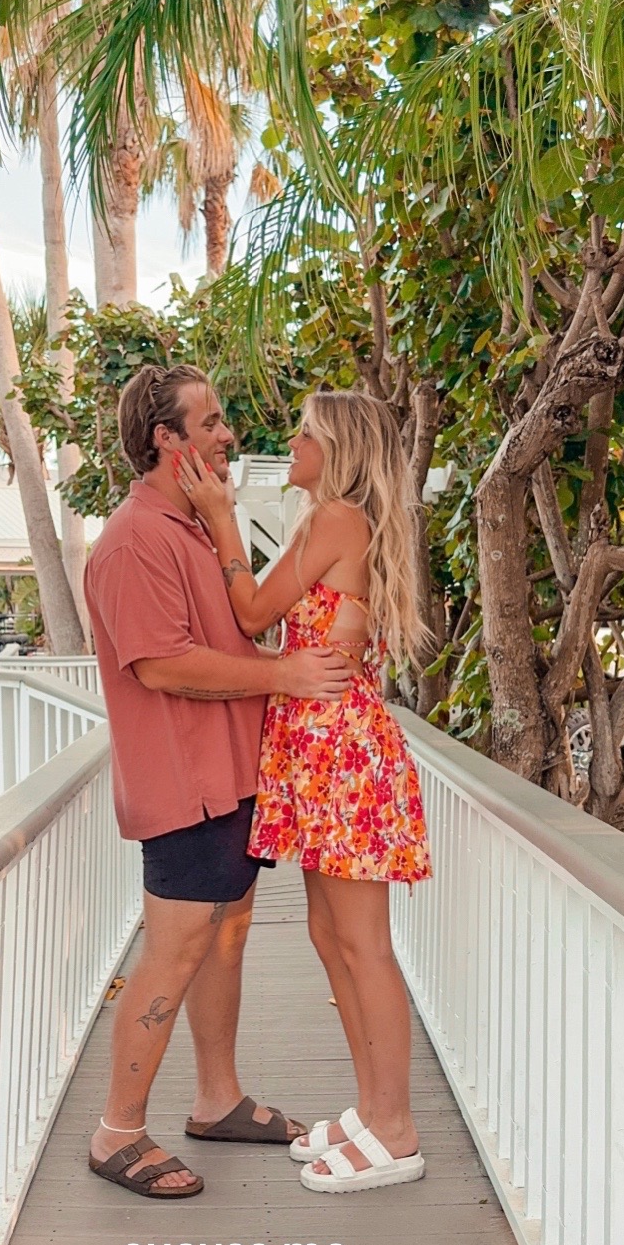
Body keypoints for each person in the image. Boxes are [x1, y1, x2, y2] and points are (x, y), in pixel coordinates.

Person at [83, 364, 353, 1198]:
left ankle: (217, 1099)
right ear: (166, 440)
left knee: (226, 938)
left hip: (231, 778)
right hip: (185, 786)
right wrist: (285, 675)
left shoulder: (194, 527)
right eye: (210, 423)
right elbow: (162, 666)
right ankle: (116, 1132)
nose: (228, 434)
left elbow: (228, 632)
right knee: (173, 955)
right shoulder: (134, 539)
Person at [174, 388, 432, 1195]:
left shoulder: (337, 518)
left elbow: (254, 612)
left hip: (342, 755)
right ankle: (373, 1109)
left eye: (306, 432)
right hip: (323, 754)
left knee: (363, 946)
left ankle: (397, 1128)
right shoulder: (337, 520)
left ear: (338, 449)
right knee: (330, 936)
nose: (291, 440)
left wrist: (222, 518)